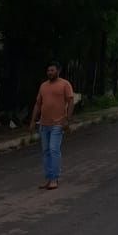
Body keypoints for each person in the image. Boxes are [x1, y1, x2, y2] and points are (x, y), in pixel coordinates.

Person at [27, 62, 74, 190]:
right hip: (44, 124)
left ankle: (54, 179)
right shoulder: (43, 86)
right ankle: (49, 178)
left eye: (52, 70)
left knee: (54, 150)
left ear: (58, 71)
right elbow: (38, 104)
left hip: (58, 124)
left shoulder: (65, 84)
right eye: (48, 70)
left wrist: (67, 120)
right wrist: (33, 121)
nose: (50, 73)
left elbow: (71, 101)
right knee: (46, 152)